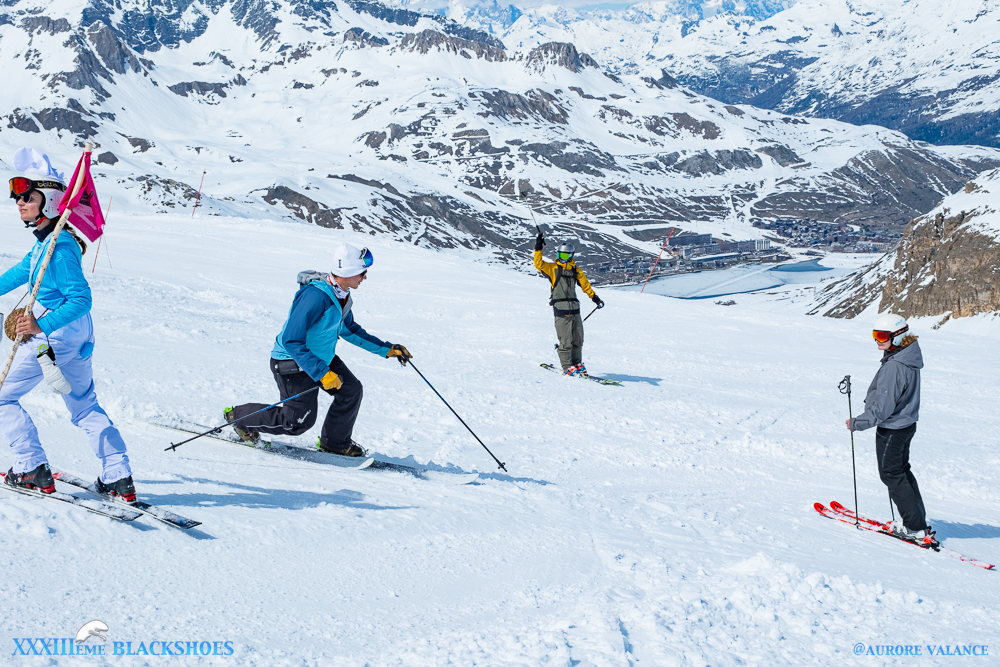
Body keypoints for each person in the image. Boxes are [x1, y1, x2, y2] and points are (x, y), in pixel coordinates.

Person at [0, 147, 136, 501]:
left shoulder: (58, 248)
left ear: (49, 202)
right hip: (76, 333)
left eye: (28, 197)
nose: (20, 203)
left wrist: (40, 327)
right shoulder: (47, 243)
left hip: (56, 333)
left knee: (2, 398)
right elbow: (20, 272)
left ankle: (30, 466)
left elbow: (80, 298)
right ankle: (117, 474)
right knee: (84, 404)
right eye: (18, 198)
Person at [225, 243, 410, 455]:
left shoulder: (341, 295)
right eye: (362, 272)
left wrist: (386, 349)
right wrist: (322, 373)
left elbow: (349, 329)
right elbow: (291, 340)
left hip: (320, 358)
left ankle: (335, 443)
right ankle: (238, 417)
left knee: (350, 391)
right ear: (348, 272)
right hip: (292, 362)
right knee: (296, 422)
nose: (365, 277)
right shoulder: (316, 296)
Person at [847, 313, 933, 545]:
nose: (877, 340)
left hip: (893, 428)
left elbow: (882, 409)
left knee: (891, 474)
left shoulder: (895, 366)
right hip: (906, 424)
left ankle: (914, 528)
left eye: (882, 335)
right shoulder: (907, 356)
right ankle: (917, 522)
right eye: (875, 335)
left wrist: (857, 423)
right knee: (901, 471)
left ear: (897, 336)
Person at [533, 230, 603, 376]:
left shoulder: (576, 271)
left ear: (571, 256)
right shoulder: (553, 269)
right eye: (559, 255)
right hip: (561, 309)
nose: (561, 258)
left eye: (564, 256)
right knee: (565, 340)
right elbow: (538, 264)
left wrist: (595, 298)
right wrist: (538, 247)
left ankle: (577, 363)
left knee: (578, 339)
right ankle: (567, 366)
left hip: (575, 309)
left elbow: (585, 285)